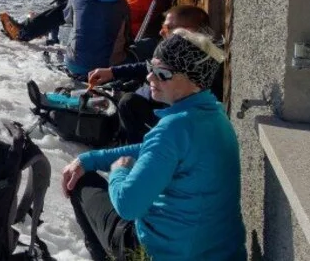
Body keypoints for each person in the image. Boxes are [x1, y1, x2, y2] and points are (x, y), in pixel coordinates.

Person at [62, 29, 246, 261]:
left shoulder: (173, 129)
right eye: (151, 68)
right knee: (85, 168)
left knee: (81, 180)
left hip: (162, 253)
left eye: (162, 73)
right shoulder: (215, 117)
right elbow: (151, 151)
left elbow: (128, 206)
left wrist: (119, 172)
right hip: (221, 253)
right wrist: (90, 158)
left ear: (193, 80)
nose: (150, 77)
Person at [87, 6, 221, 144]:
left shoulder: (198, 65)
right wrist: (112, 72)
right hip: (157, 111)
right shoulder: (183, 53)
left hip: (168, 127)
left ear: (187, 31)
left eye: (168, 27)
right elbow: (148, 66)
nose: (161, 32)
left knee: (128, 102)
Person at [64, 0, 130, 77]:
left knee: (72, 29)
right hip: (108, 68)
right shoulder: (122, 1)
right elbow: (127, 34)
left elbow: (67, 18)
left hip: (75, 64)